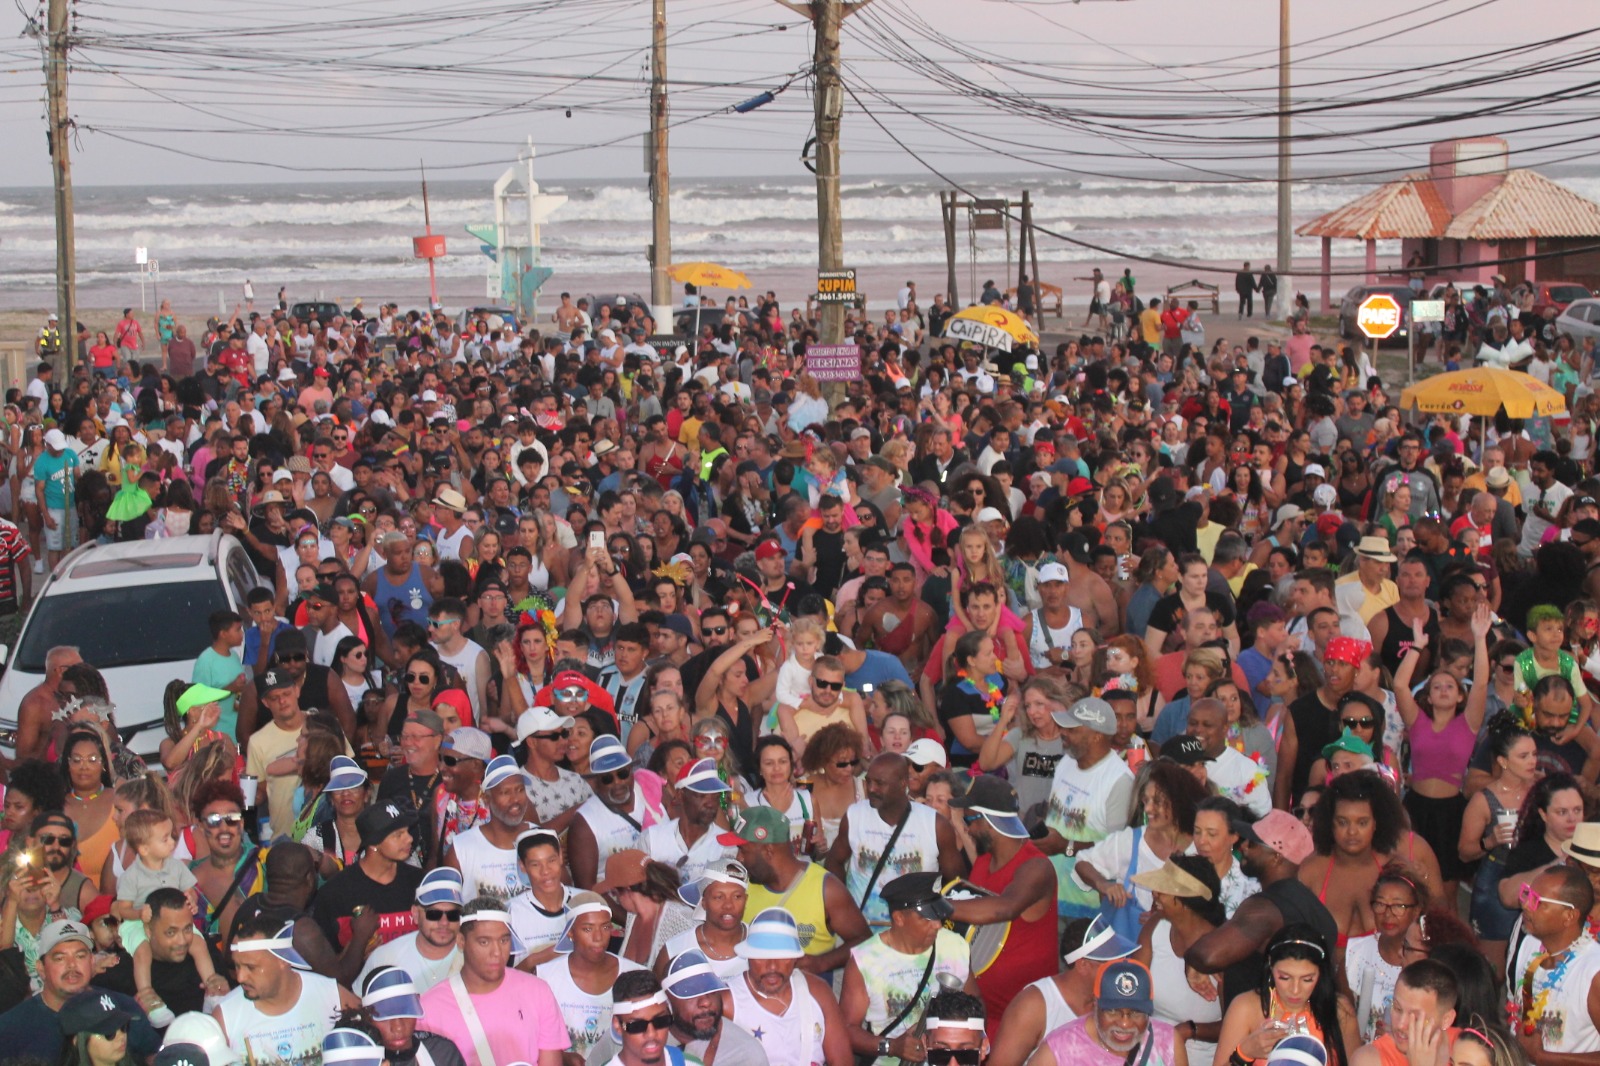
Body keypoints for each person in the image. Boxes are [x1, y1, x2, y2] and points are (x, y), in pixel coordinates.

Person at [941, 775, 1056, 1037]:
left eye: (969, 820)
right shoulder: (983, 861)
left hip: (1021, 1019)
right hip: (983, 1011)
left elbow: (1005, 908)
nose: (966, 829)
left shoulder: (1037, 866)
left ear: (990, 822)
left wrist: (934, 905)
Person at [1187, 809, 1337, 1004]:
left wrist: (1191, 958)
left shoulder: (1265, 908)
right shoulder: (1315, 907)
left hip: (1262, 1027)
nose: (1243, 847)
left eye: (1253, 843)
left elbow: (1207, 956)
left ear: (1276, 856)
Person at [418, 896, 569, 1066]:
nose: (497, 952)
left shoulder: (538, 992)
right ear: (461, 941)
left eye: (504, 940)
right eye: (484, 942)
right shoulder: (429, 1008)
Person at [840, 872, 971, 1066]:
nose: (937, 925)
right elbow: (846, 1029)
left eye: (937, 915)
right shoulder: (865, 961)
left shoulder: (955, 945)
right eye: (926, 918)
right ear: (899, 918)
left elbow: (976, 1005)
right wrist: (891, 1047)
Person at [823, 753, 962, 933]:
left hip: (915, 936)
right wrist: (843, 907)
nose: (871, 788)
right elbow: (834, 862)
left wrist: (930, 915)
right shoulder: (854, 816)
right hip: (861, 933)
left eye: (880, 783)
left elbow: (956, 882)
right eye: (868, 781)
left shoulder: (935, 825)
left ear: (902, 783)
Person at [722, 805, 869, 973]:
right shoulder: (739, 886)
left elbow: (865, 941)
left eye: (743, 850)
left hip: (808, 993)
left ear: (768, 851)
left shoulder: (826, 889)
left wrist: (821, 963)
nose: (738, 858)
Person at [987, 916, 1139, 1066]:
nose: (1122, 969)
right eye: (1113, 963)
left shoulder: (1118, 1001)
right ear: (1083, 965)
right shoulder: (1035, 1004)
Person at [0, 919, 159, 1061]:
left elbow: (153, 1057)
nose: (72, 965)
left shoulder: (123, 1007)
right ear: (41, 968)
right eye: (60, 958)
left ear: (91, 961)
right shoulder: (12, 1026)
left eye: (80, 956)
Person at [1037, 697, 1136, 917]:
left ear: (1096, 737)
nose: (1064, 732)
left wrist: (1066, 846)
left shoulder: (1119, 782)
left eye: (1073, 729)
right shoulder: (1067, 762)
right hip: (1048, 893)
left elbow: (1116, 850)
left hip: (1085, 905)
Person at [213, 915, 359, 1062]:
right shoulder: (225, 1017)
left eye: (251, 967)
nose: (240, 978)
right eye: (237, 966)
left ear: (282, 959)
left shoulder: (332, 996)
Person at [725, 908, 853, 1066]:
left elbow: (842, 1060)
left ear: (795, 959)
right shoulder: (729, 1002)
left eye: (782, 957)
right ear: (748, 956)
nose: (772, 966)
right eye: (762, 956)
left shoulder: (818, 991)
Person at [1214, 925, 1355, 1066]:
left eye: (1307, 979)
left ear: (1320, 974)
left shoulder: (1339, 1009)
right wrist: (1244, 1053)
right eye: (1284, 977)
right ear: (1270, 967)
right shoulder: (1246, 1007)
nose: (1295, 990)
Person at [536, 890, 643, 1062]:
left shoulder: (635, 975)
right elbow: (532, 1038)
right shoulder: (545, 977)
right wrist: (563, 1057)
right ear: (570, 932)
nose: (598, 937)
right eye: (587, 929)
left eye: (605, 927)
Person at [1509, 865, 1600, 1061]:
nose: (1526, 905)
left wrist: (1543, 1058)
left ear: (1569, 916)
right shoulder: (1529, 944)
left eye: (1538, 901)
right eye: (1527, 894)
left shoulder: (1593, 972)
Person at [1024, 959, 1184, 1066]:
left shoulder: (1168, 1041)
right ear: (1095, 1004)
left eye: (1136, 1013)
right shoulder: (1058, 1050)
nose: (1125, 1023)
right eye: (1113, 1011)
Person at [357, 867, 466, 993]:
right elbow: (360, 1004)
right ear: (415, 914)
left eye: (453, 915)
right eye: (434, 914)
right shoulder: (385, 958)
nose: (444, 922)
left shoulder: (474, 956)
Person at [1347, 959, 1458, 1066]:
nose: (1400, 1025)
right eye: (1397, 1009)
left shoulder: (1466, 1050)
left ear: (1446, 1020)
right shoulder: (1369, 1060)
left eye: (1415, 1017)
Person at [361, 964, 470, 1066]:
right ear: (366, 1016)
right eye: (385, 1015)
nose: (398, 1027)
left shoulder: (441, 1052)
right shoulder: (356, 1059)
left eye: (405, 1011)